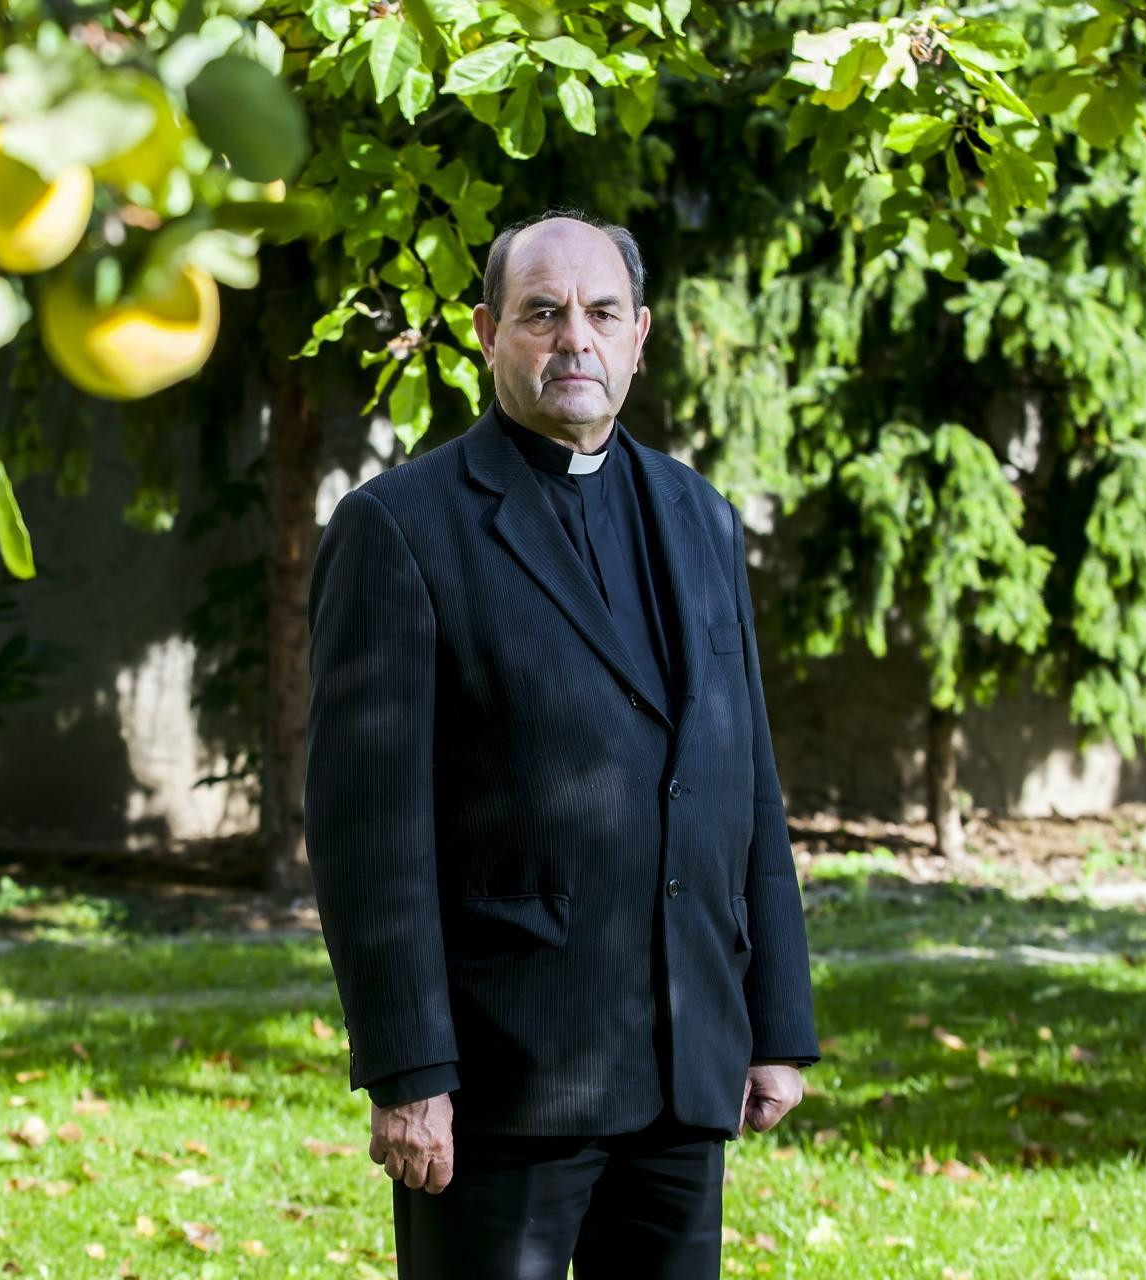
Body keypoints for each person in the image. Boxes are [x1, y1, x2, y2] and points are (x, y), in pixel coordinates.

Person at [301, 209, 820, 1279]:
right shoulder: (400, 528)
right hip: (504, 1075)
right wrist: (409, 1070)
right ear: (489, 331)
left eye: (601, 313)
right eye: (542, 313)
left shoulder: (702, 515)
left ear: (640, 334)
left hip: (682, 1065)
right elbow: (368, 834)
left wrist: (775, 1021)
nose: (575, 338)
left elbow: (747, 781)